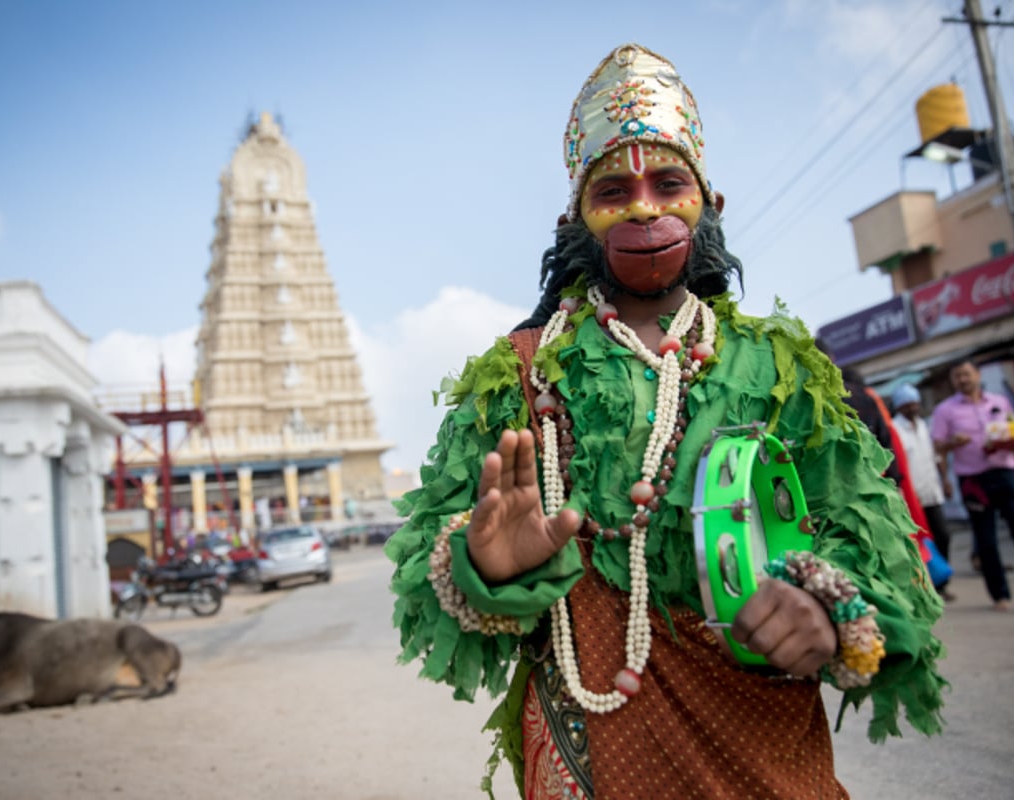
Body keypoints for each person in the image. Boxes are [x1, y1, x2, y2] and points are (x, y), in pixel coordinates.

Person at [386, 44, 945, 799]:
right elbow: (427, 571)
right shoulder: (518, 374)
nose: (644, 207)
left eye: (668, 183)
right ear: (575, 221)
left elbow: (883, 555)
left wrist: (827, 603)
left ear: (710, 207)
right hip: (590, 753)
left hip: (767, 751)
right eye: (613, 190)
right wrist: (485, 566)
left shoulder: (779, 367)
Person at [931, 360, 1014, 612]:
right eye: (957, 376)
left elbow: (1013, 433)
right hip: (974, 481)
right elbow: (937, 447)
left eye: (966, 374)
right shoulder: (945, 410)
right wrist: (952, 444)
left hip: (1006, 473)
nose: (962, 379)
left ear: (977, 375)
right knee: (986, 540)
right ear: (953, 381)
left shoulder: (999, 402)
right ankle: (1000, 596)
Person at [891, 383, 956, 600]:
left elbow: (936, 457)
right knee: (919, 541)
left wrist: (945, 479)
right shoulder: (895, 429)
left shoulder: (923, 426)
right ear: (899, 407)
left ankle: (942, 581)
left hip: (932, 491)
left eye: (915, 404)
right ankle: (928, 586)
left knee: (943, 535)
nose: (912, 408)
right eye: (907, 405)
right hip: (912, 496)